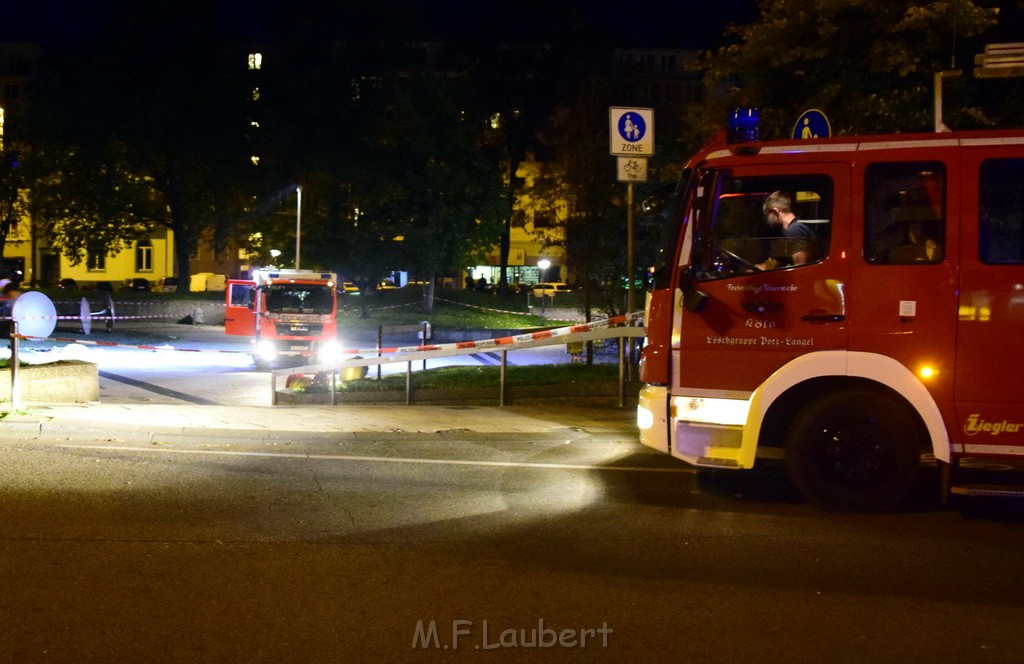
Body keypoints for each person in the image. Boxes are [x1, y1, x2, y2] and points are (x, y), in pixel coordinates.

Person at [757, 190, 819, 269]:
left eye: (767, 215)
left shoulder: (795, 230)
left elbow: (800, 267)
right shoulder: (790, 230)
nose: (767, 220)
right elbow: (774, 264)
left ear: (775, 211)